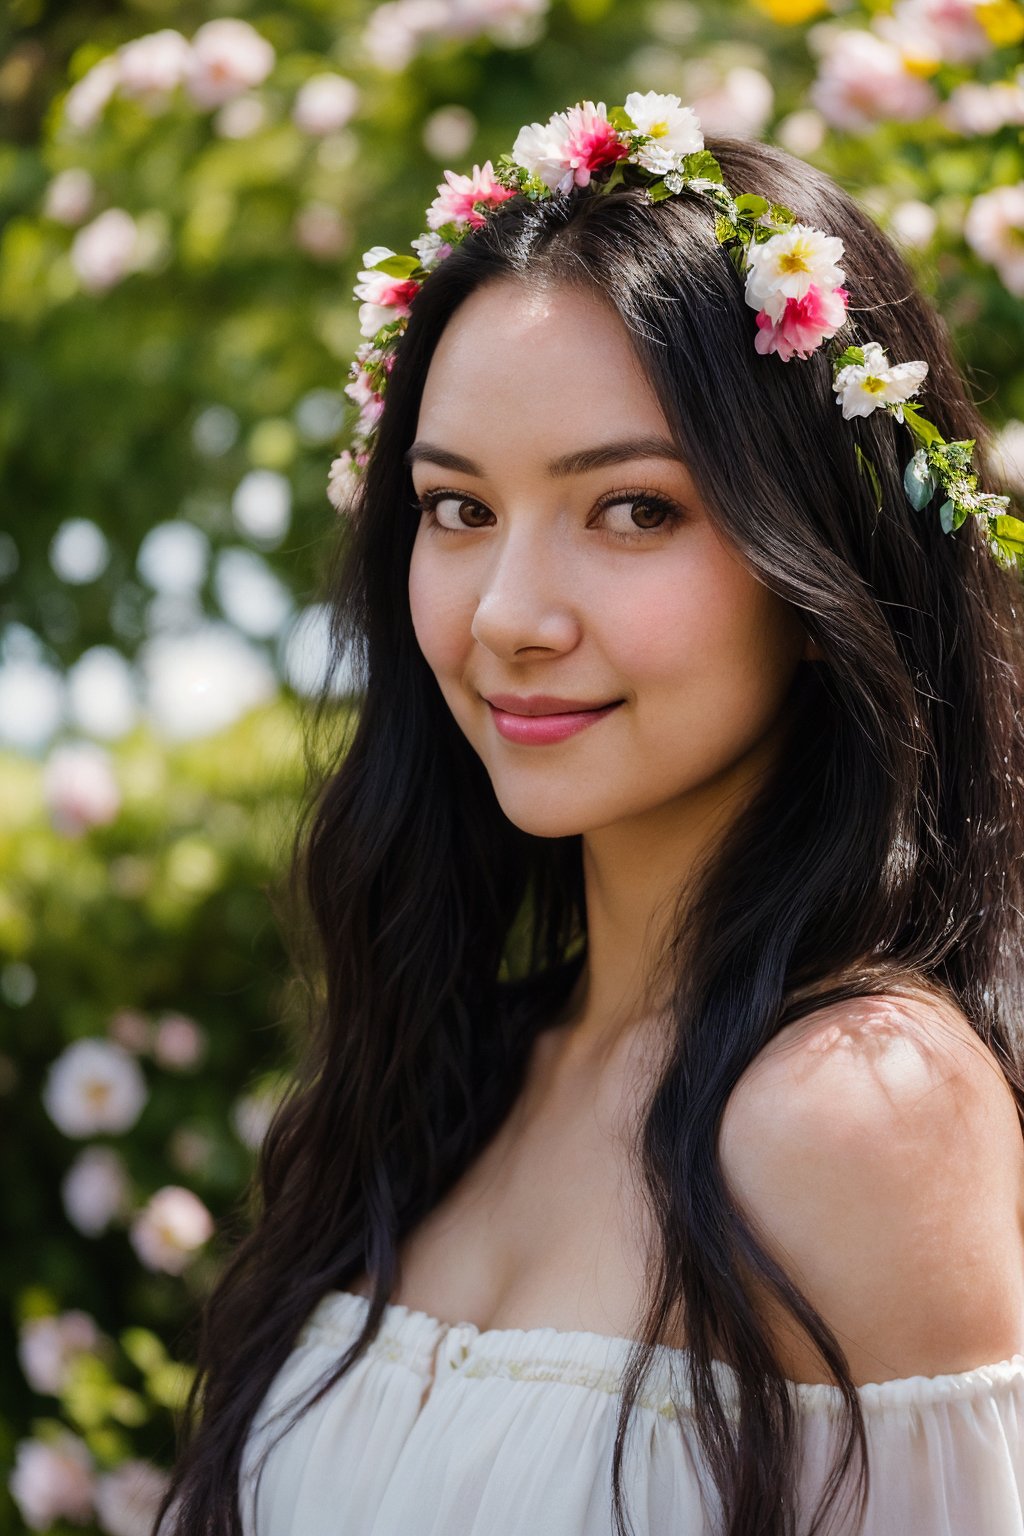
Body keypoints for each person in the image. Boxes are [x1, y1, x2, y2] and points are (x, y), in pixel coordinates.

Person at [158, 94, 1024, 1536]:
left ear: (823, 563)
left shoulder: (857, 1110)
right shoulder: (453, 1069)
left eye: (633, 511)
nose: (507, 618)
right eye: (458, 510)